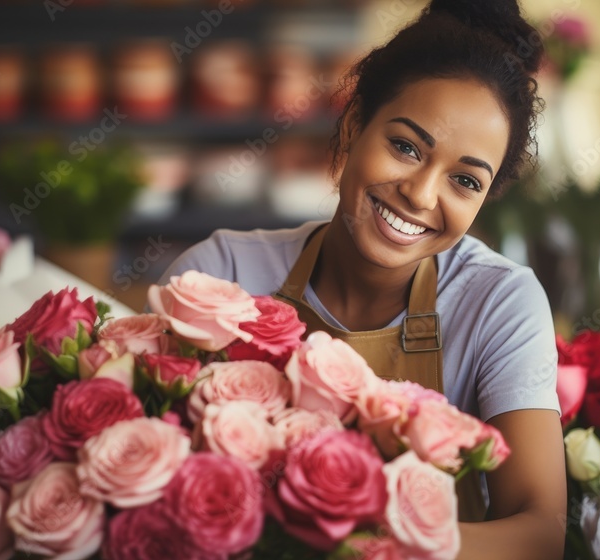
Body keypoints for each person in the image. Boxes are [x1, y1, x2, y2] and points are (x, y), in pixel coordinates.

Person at [158, 0, 566, 558]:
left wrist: (363, 548)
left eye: (465, 181)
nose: (421, 195)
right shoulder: (220, 276)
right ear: (354, 126)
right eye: (405, 147)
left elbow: (539, 533)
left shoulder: (499, 302)